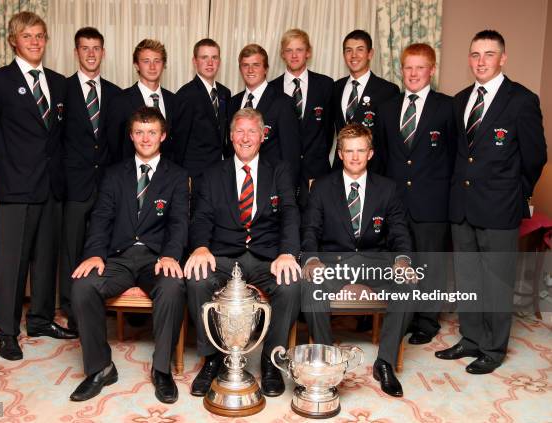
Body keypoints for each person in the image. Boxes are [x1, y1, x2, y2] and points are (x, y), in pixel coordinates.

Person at [436, 30, 547, 374]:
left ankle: (493, 348)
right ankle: (470, 339)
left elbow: (535, 157)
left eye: (488, 54)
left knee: (497, 280)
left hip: (499, 208)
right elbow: (459, 155)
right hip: (462, 207)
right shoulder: (460, 100)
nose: (480, 61)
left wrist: (514, 192)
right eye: (474, 54)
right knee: (468, 279)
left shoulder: (522, 100)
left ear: (503, 58)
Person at [0, 11, 75, 361]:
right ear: (14, 39)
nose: (35, 42)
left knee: (45, 260)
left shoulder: (59, 83)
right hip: (15, 187)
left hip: (51, 189)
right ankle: (7, 330)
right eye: (28, 36)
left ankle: (41, 319)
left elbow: (59, 138)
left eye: (41, 36)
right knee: (12, 262)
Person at [69, 107, 188, 404]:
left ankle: (161, 370)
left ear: (163, 135)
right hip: (118, 258)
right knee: (83, 285)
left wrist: (172, 255)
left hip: (156, 259)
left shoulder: (177, 176)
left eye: (151, 132)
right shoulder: (113, 175)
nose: (145, 138)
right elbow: (100, 219)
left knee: (173, 287)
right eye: (139, 132)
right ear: (131, 135)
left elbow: (179, 223)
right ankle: (100, 368)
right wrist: (95, 254)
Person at [184, 108, 301, 398]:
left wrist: (287, 252)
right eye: (239, 131)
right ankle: (212, 360)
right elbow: (201, 217)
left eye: (252, 131)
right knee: (197, 280)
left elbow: (289, 212)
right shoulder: (212, 174)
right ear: (231, 136)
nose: (245, 137)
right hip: (224, 255)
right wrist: (200, 247)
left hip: (266, 257)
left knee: (291, 285)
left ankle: (271, 362)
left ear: (262, 136)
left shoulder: (280, 170)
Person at [301, 123, 414, 397]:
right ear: (339, 153)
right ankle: (328, 362)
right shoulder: (322, 187)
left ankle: (384, 363)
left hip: (374, 263)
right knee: (309, 288)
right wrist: (312, 261)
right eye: (349, 151)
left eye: (360, 150)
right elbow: (310, 230)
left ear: (370, 153)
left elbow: (400, 231)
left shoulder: (387, 188)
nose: (354, 157)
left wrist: (402, 262)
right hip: (334, 264)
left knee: (408, 286)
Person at [374, 43, 456, 345]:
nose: (413, 73)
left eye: (420, 67)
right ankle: (404, 315)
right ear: (401, 69)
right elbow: (381, 158)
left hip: (432, 202)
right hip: (395, 202)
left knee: (429, 263)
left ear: (431, 71)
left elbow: (455, 155)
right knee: (399, 259)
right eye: (408, 67)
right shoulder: (387, 108)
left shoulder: (447, 107)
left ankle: (427, 320)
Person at [59, 27, 121, 331]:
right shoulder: (62, 89)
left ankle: (99, 302)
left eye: (96, 48)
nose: (91, 53)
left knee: (103, 244)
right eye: (85, 48)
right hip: (74, 184)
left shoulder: (115, 92)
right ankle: (71, 309)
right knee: (72, 246)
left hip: (106, 183)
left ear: (103, 52)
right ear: (77, 52)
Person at [269, 29, 334, 202]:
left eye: (299, 49)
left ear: (308, 52)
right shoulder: (271, 89)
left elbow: (328, 131)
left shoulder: (326, 85)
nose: (294, 55)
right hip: (281, 174)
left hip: (316, 173)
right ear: (282, 54)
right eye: (289, 50)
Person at [228, 44, 301, 187]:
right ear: (240, 69)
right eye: (245, 65)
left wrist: (286, 191)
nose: (250, 70)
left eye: (256, 65)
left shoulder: (283, 103)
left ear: (266, 69)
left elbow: (291, 155)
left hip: (271, 185)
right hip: (236, 186)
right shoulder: (232, 103)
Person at [331, 30, 399, 169]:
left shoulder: (388, 90)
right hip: (340, 171)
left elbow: (391, 140)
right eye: (348, 50)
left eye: (360, 50)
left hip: (374, 171)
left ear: (370, 53)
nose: (354, 55)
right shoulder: (336, 87)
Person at [107, 39, 175, 161]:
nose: (152, 66)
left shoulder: (173, 100)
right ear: (136, 65)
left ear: (163, 64)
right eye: (146, 61)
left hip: (168, 176)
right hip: (130, 176)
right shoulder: (120, 101)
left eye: (157, 61)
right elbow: (114, 147)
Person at [173, 39, 231, 181]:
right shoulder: (186, 95)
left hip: (221, 172)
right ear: (195, 61)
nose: (210, 63)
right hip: (195, 175)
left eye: (214, 57)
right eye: (204, 57)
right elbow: (180, 142)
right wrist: (180, 178)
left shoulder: (225, 93)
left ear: (220, 61)